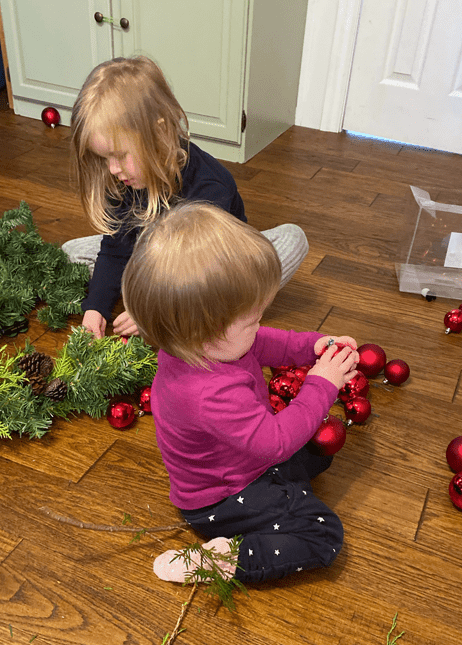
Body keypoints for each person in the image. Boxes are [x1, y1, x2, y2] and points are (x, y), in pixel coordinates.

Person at [122, 202, 360, 585]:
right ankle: (226, 557)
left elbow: (266, 343)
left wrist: (313, 346)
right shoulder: (207, 393)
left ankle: (277, 504)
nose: (261, 323)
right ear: (208, 332)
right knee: (323, 534)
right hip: (223, 498)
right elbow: (275, 442)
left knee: (318, 455)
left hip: (244, 462)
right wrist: (323, 383)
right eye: (253, 318)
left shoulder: (206, 344)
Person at [64, 55, 309, 339]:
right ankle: (156, 296)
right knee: (71, 251)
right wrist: (95, 308)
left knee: (292, 239)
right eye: (105, 158)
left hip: (213, 265)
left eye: (119, 156)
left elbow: (203, 271)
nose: (113, 169)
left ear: (160, 132)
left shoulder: (209, 186)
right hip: (151, 257)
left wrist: (149, 309)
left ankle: (179, 304)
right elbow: (116, 250)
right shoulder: (121, 179)